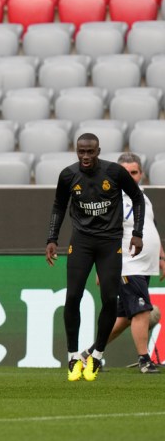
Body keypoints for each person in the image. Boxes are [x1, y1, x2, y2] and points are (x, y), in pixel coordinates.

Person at [46, 133, 145, 382]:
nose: (86, 156)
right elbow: (58, 206)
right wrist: (52, 238)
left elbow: (137, 198)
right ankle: (72, 357)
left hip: (110, 242)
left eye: (90, 152)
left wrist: (137, 233)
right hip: (81, 241)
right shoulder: (68, 175)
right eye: (81, 152)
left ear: (98, 151)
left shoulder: (115, 173)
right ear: (77, 152)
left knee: (110, 299)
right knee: (73, 296)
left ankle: (97, 355)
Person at [80, 153, 164, 373]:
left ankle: (88, 355)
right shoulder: (110, 198)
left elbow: (150, 228)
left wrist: (161, 256)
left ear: (141, 174)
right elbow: (103, 233)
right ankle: (145, 360)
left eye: (133, 172)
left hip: (144, 264)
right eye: (124, 172)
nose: (129, 176)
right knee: (141, 311)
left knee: (124, 318)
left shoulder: (142, 198)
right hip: (127, 263)